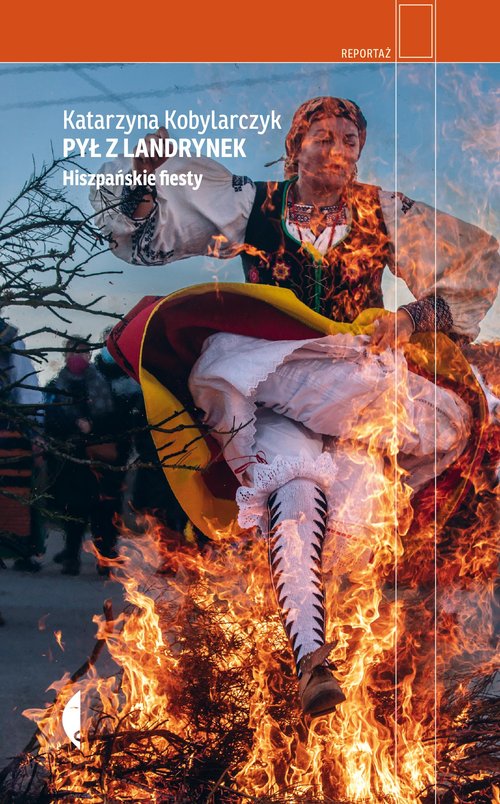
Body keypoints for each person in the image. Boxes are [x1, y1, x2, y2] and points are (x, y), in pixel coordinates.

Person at [91, 97, 499, 718]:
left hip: (352, 382)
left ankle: (364, 688)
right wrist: (145, 181)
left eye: (350, 140)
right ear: (295, 145)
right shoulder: (253, 203)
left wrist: (412, 319)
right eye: (323, 136)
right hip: (272, 380)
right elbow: (148, 231)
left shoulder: (380, 211)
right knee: (297, 494)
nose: (337, 149)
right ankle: (311, 661)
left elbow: (475, 265)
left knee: (363, 517)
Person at [44, 336, 125, 575]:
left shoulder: (101, 383)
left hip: (99, 457)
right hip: (70, 457)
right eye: (73, 352)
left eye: (83, 352)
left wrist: (94, 426)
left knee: (103, 509)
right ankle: (71, 555)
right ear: (65, 355)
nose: (77, 357)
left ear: (89, 355)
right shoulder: (56, 385)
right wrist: (71, 425)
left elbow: (115, 419)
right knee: (73, 509)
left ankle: (106, 555)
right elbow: (50, 418)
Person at [0, 314, 44, 572]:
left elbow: (27, 388)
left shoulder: (11, 339)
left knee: (18, 494)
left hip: (11, 428)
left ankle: (22, 550)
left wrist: (35, 428)